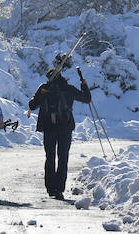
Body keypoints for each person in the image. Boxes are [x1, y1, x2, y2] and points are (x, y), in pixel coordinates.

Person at [27, 54, 91, 199]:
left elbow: (32, 105)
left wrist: (37, 96)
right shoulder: (68, 88)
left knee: (49, 157)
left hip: (49, 129)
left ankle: (50, 188)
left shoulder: (44, 88)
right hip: (65, 128)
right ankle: (59, 188)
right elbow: (87, 99)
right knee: (63, 158)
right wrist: (83, 83)